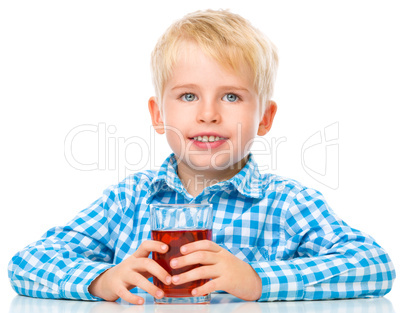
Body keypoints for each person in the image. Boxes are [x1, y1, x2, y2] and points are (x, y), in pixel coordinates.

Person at [8, 9, 395, 304]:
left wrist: (257, 280)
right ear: (159, 116)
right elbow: (27, 263)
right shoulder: (128, 199)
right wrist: (101, 280)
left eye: (231, 96)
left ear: (264, 118)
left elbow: (374, 266)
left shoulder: (286, 204)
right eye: (188, 96)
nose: (208, 113)